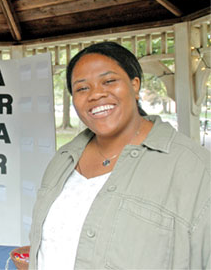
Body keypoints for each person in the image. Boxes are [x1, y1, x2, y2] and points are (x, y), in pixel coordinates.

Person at [29, 42, 210, 269]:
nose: (96, 94)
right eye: (82, 88)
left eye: (109, 81)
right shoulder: (63, 159)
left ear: (135, 85)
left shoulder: (195, 169)